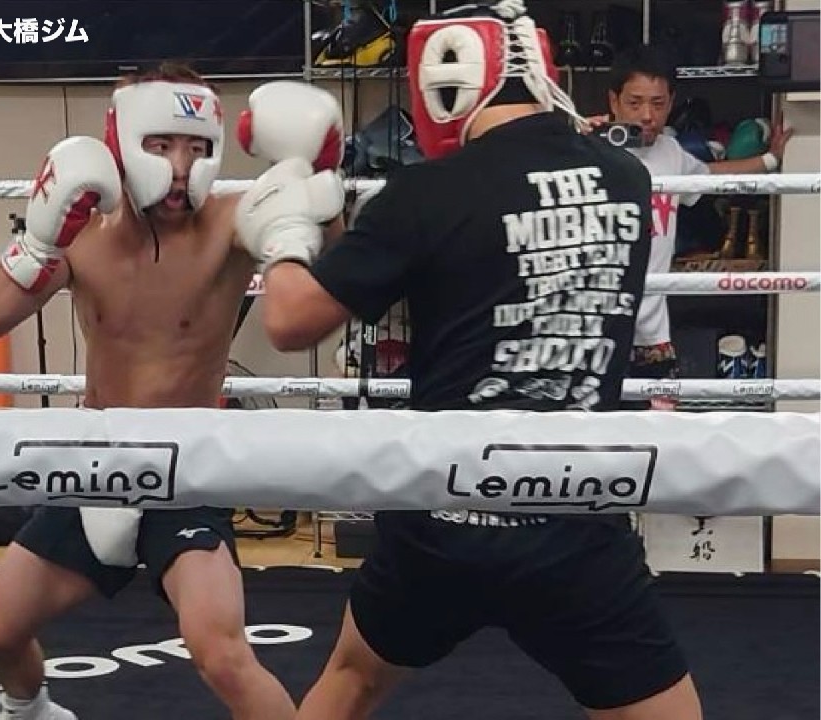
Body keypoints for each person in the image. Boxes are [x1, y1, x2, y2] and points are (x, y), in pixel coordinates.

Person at [233, 1, 705, 718]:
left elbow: (289, 321)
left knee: (352, 680)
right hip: (572, 515)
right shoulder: (626, 179)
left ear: (440, 81)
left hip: (443, 515)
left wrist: (289, 230)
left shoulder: (425, 194)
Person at [0, 61, 345, 720]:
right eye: (162, 145)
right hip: (96, 463)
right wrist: (41, 237)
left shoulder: (231, 223)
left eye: (196, 148)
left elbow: (332, 272)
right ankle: (30, 710)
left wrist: (323, 188)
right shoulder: (82, 235)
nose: (179, 167)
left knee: (222, 654)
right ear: (120, 142)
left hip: (188, 471)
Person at [589, 44, 793, 407]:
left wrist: (769, 160)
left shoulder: (670, 151)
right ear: (613, 101)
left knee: (661, 432)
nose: (647, 115)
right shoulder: (586, 149)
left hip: (652, 334)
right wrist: (575, 133)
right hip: (594, 328)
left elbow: (710, 175)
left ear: (671, 102)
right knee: (590, 431)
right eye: (635, 103)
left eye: (658, 103)